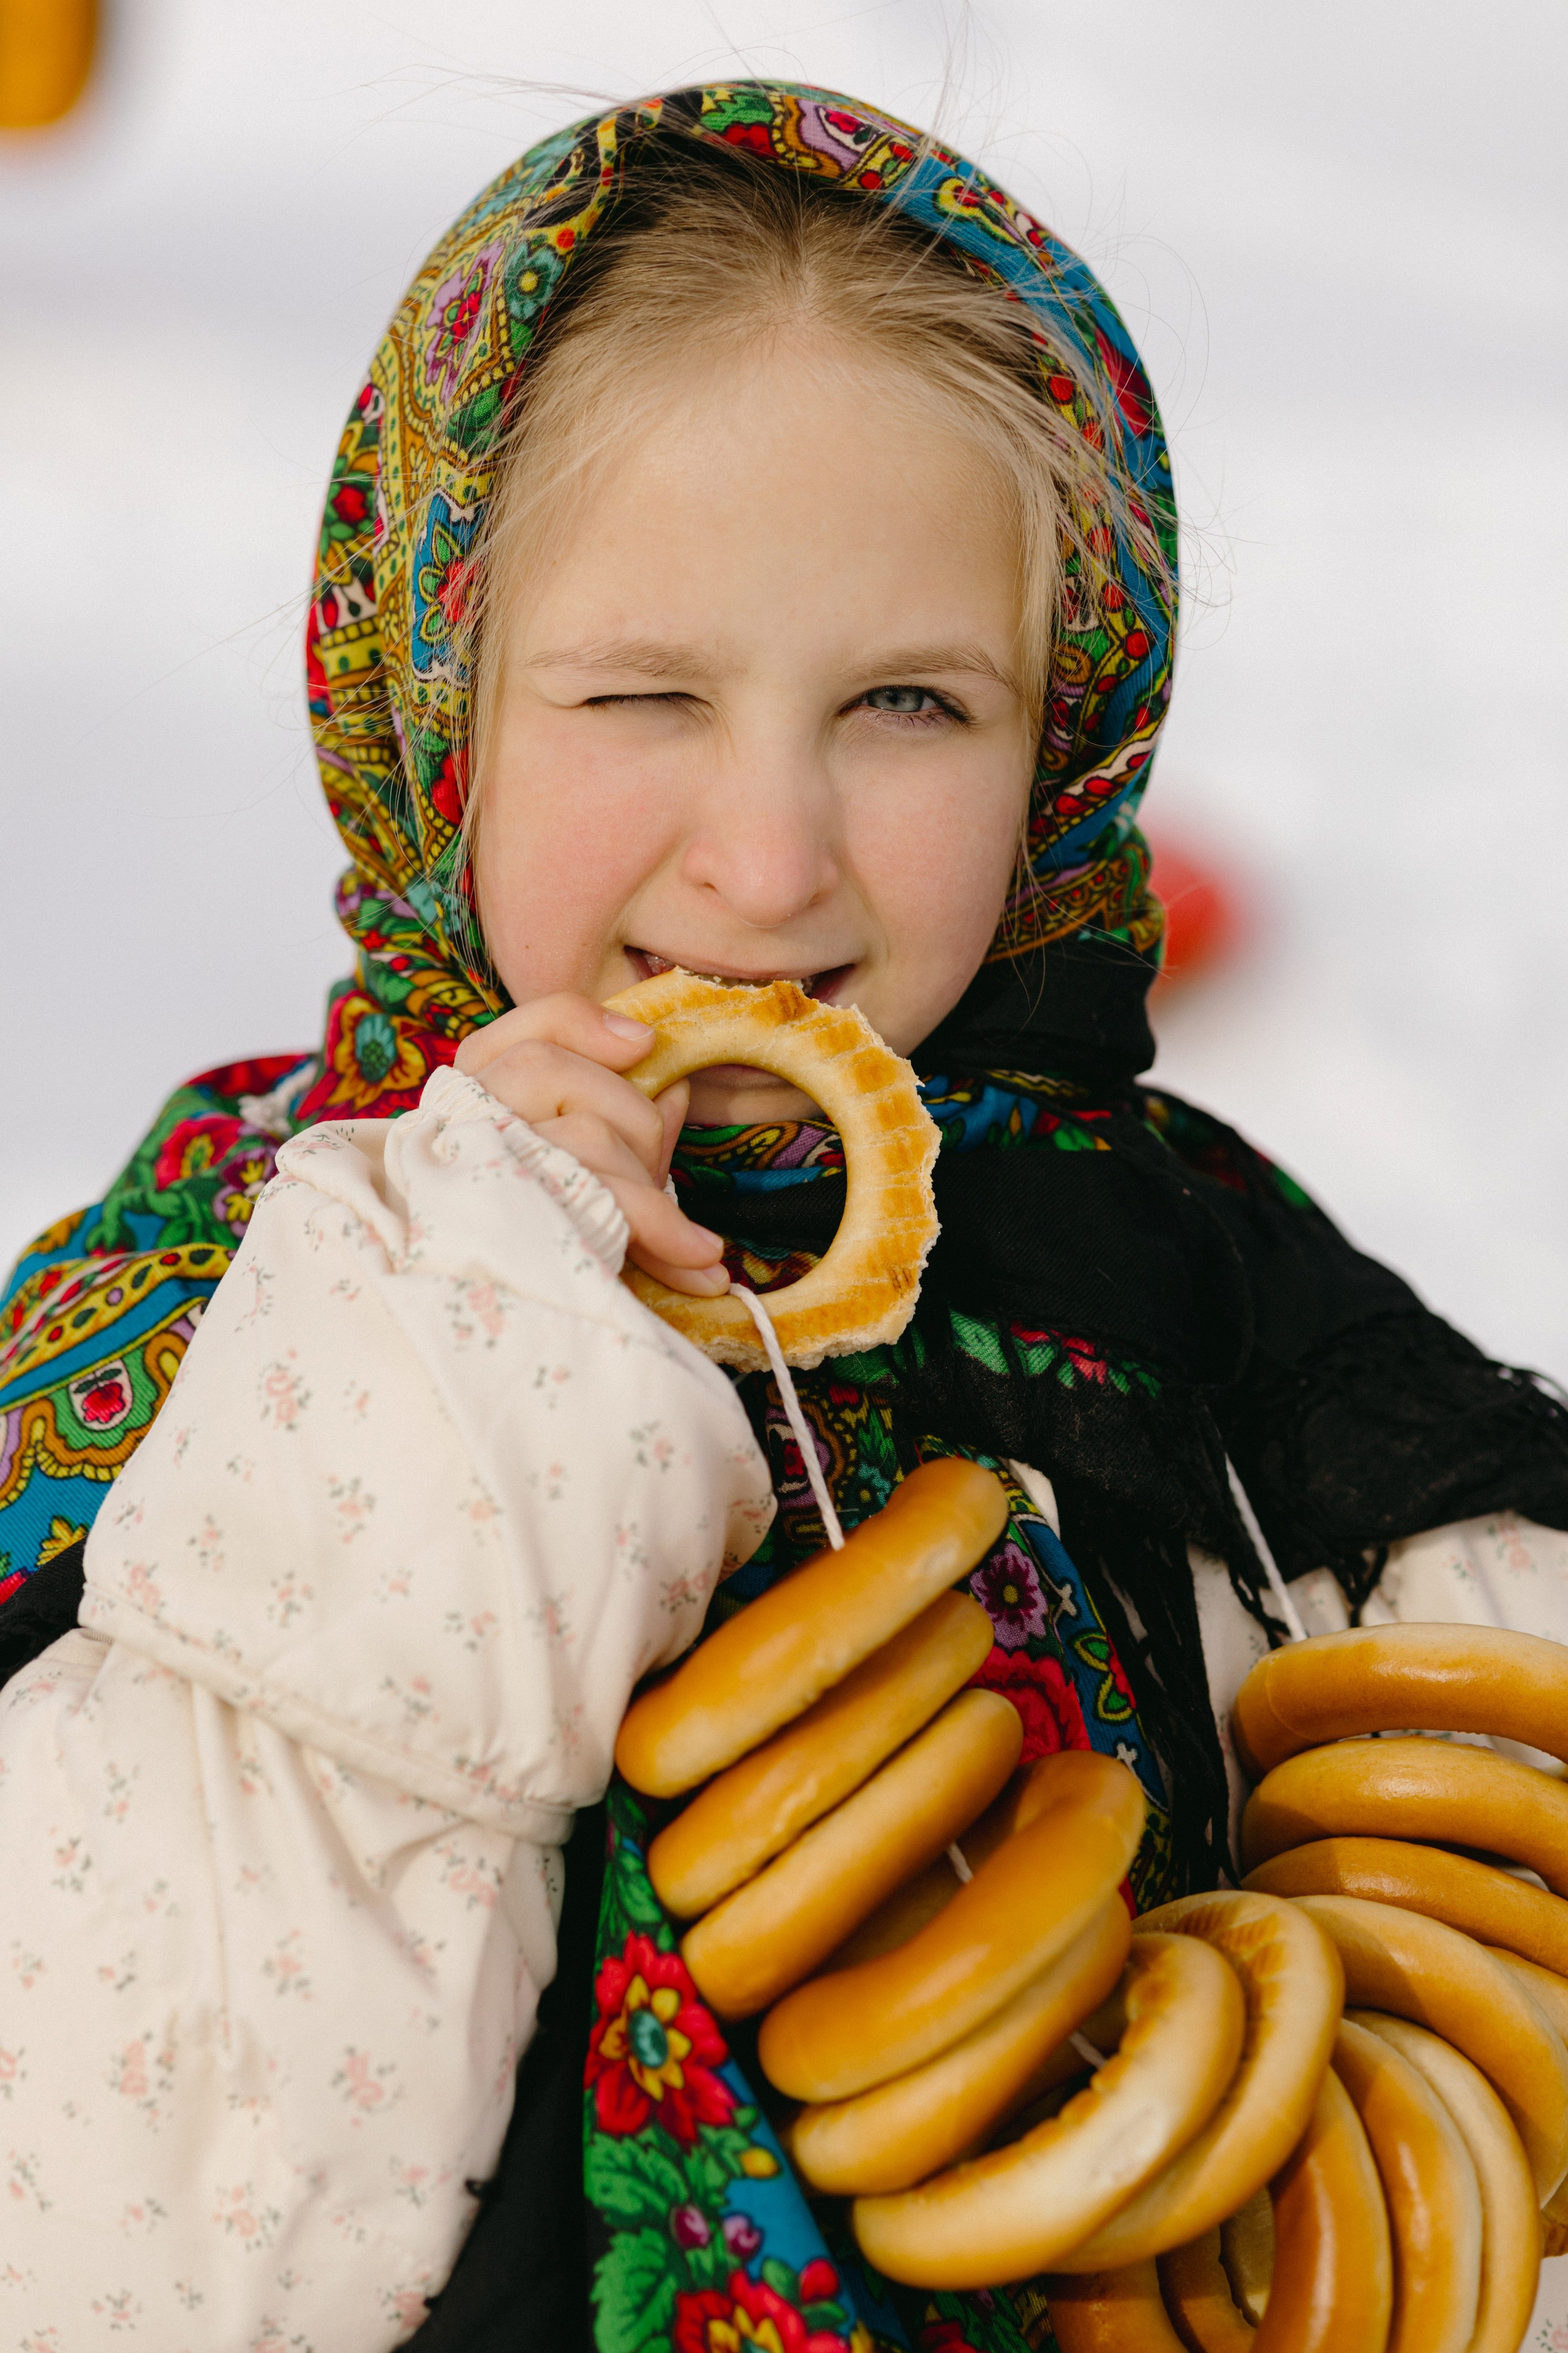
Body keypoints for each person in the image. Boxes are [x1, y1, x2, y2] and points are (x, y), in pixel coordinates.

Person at [2, 80, 1566, 2353]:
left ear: (1071, 733)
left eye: (908, 703)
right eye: (642, 693)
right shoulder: (244, 1316)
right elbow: (135, 2238)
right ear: (432, 713)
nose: (768, 858)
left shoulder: (1220, 1320)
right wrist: (470, 1383)